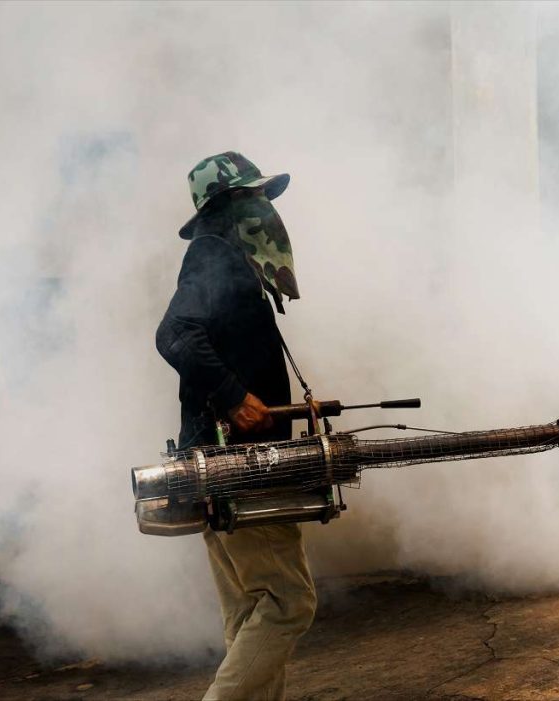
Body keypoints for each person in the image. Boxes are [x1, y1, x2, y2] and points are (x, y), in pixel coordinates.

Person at [156, 151, 317, 701]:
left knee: (252, 608)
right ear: (225, 206)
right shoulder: (214, 256)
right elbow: (174, 334)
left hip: (219, 461)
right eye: (253, 197)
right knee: (288, 603)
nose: (265, 207)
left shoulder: (219, 257)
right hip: (242, 466)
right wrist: (235, 396)